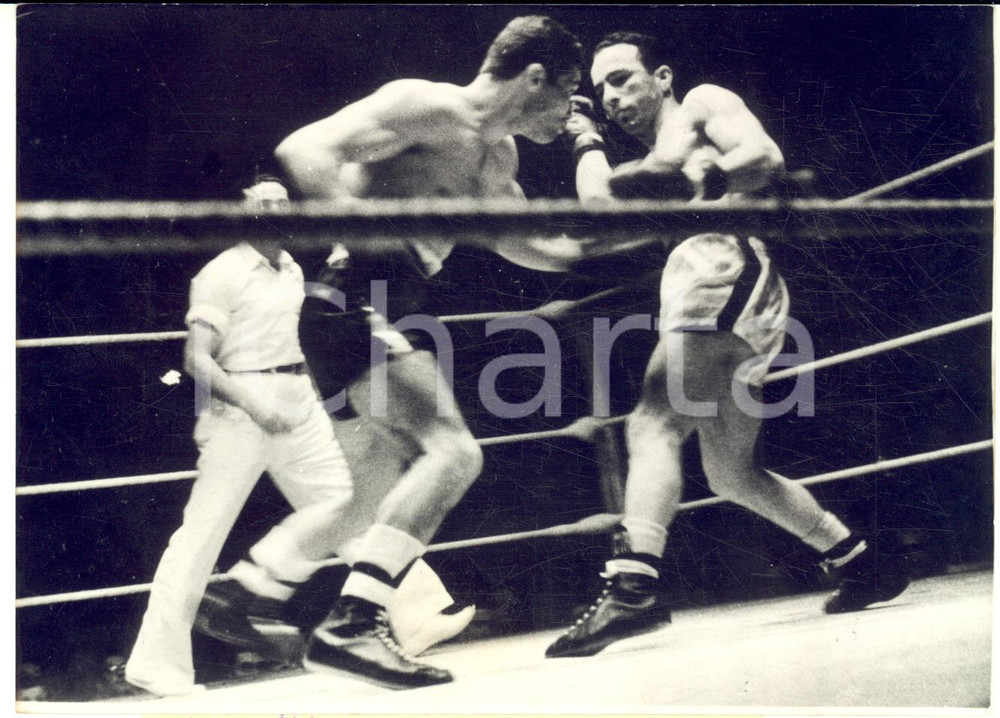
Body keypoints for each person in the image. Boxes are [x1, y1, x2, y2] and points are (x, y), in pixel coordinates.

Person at [199, 16, 589, 690]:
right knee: (454, 452)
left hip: (378, 304)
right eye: (568, 92)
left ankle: (246, 589)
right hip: (358, 294)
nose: (571, 111)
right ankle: (353, 622)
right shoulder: (430, 105)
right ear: (534, 78)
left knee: (373, 488)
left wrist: (612, 245)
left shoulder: (499, 160)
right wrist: (361, 224)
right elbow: (304, 147)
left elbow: (521, 243)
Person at [545, 32, 910, 659]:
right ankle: (859, 559)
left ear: (661, 76)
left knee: (653, 423)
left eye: (623, 79)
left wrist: (709, 175)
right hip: (720, 280)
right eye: (600, 89)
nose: (611, 96)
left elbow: (764, 155)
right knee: (730, 472)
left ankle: (632, 585)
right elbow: (599, 203)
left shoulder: (700, 105)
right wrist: (585, 137)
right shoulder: (653, 157)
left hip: (723, 264)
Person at [125, 178, 355, 696]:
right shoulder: (221, 274)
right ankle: (155, 664)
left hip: (299, 397)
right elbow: (196, 358)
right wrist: (253, 403)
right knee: (200, 536)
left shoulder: (292, 266)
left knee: (349, 501)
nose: (275, 210)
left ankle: (411, 615)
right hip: (239, 409)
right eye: (263, 204)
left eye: (282, 202)